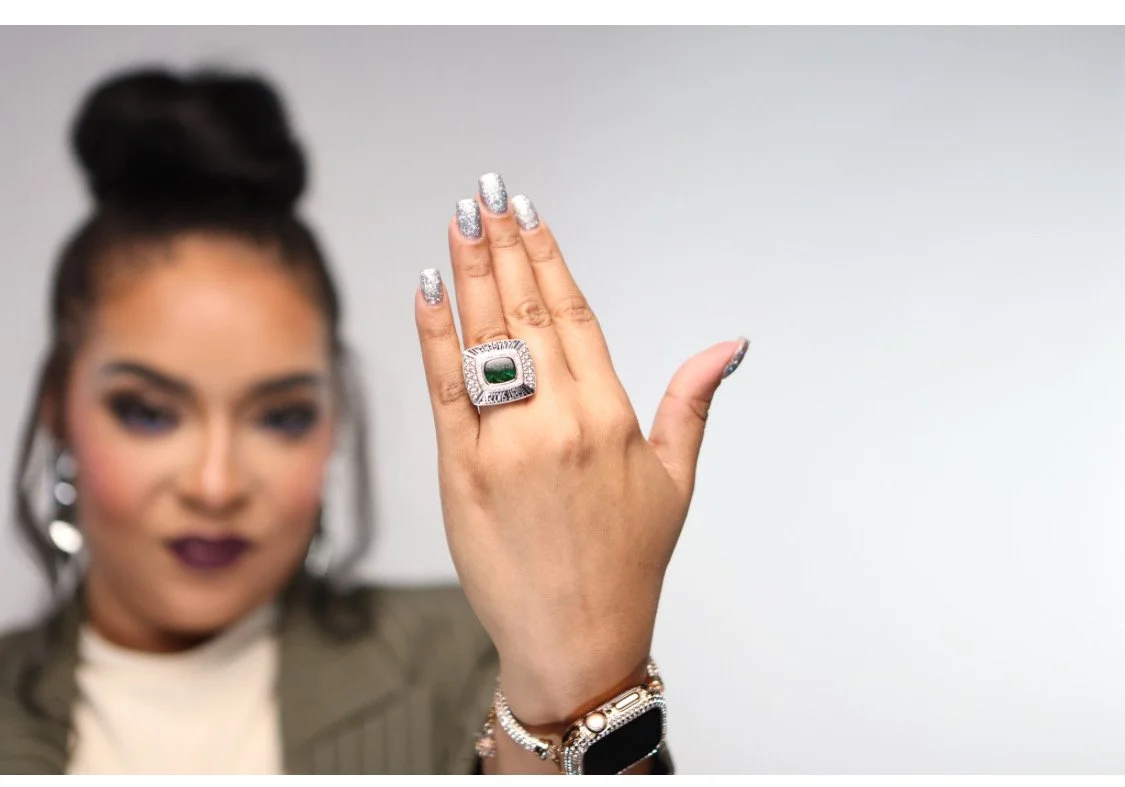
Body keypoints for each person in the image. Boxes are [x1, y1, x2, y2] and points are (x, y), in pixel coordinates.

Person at [0, 65, 749, 775]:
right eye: (148, 412)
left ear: (334, 422)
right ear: (59, 410)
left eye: (281, 417)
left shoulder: (474, 654)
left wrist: (584, 681)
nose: (216, 485)